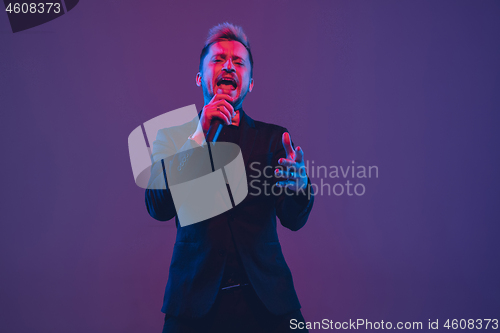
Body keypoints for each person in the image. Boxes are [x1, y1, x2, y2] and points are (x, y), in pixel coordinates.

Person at [145, 23, 314, 333]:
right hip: (194, 307)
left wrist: (300, 188)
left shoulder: (273, 139)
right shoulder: (171, 139)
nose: (228, 66)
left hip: (268, 304)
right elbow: (158, 206)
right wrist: (200, 136)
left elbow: (293, 218)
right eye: (219, 59)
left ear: (250, 83)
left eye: (238, 62)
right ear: (199, 78)